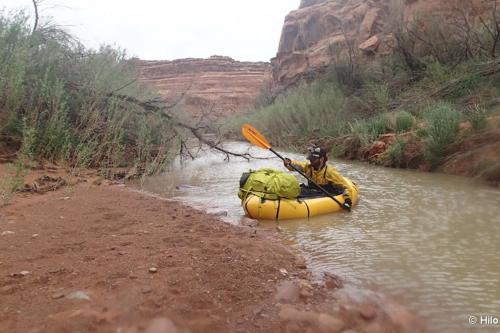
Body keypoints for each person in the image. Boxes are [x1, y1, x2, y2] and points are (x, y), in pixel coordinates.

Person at [284, 147, 353, 210]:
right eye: (311, 159)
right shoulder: (309, 167)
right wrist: (289, 163)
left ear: (322, 159)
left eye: (313, 159)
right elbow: (297, 166)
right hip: (311, 190)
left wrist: (348, 201)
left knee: (300, 193)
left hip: (324, 193)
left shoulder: (330, 172)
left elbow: (345, 187)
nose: (311, 161)